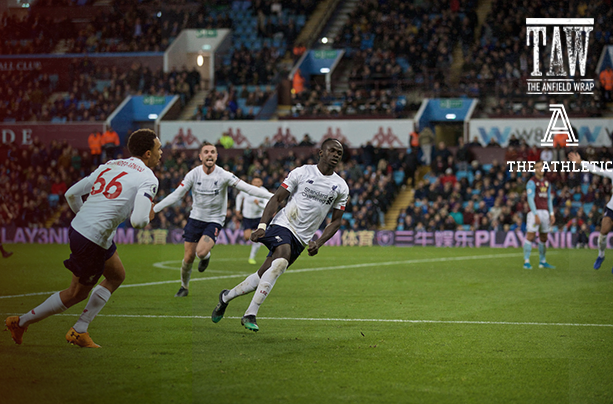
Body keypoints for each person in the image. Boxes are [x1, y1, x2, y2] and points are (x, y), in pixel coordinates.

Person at [5, 129, 162, 347]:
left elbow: (71, 194)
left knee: (116, 276)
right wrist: (148, 216)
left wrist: (86, 218)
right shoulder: (148, 178)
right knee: (76, 293)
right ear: (147, 153)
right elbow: (138, 222)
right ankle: (21, 322)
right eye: (158, 148)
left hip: (85, 231)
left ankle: (80, 329)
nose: (161, 152)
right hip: (92, 239)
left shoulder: (110, 165)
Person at [211, 138, 349, 332]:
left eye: (339, 153)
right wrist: (262, 226)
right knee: (281, 261)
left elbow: (336, 221)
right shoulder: (302, 172)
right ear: (321, 152)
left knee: (265, 274)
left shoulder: (341, 186)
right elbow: (277, 198)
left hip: (301, 239)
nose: (335, 155)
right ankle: (250, 313)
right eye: (332, 151)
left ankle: (225, 297)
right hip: (283, 224)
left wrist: (319, 242)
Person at [153, 142, 274, 297]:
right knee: (188, 257)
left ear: (216, 156)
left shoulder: (223, 174)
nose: (209, 154)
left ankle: (206, 256)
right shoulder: (193, 174)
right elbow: (177, 194)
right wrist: (155, 208)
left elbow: (247, 188)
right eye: (206, 152)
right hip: (195, 218)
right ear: (200, 156)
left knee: (201, 252)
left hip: (214, 219)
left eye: (212, 152)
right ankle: (184, 286)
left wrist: (274, 196)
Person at [569, 151, 613, 270]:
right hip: (611, 208)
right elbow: (598, 170)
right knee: (603, 233)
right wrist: (581, 162)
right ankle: (601, 255)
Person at [523, 160, 555, 270]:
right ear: (534, 170)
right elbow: (530, 199)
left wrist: (551, 213)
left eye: (541, 167)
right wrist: (535, 214)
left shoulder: (547, 182)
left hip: (545, 212)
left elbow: (549, 198)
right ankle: (526, 261)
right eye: (537, 167)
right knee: (530, 236)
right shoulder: (531, 182)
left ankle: (542, 261)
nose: (540, 169)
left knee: (544, 237)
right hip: (534, 212)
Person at [235, 177, 271, 264]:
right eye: (254, 182)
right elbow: (239, 197)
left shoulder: (264, 191)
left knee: (257, 237)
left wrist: (259, 204)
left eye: (258, 182)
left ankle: (252, 257)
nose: (256, 183)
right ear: (252, 182)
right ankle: (254, 243)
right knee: (247, 237)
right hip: (247, 217)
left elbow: (267, 206)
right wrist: (237, 209)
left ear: (261, 183)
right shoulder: (247, 189)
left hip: (259, 217)